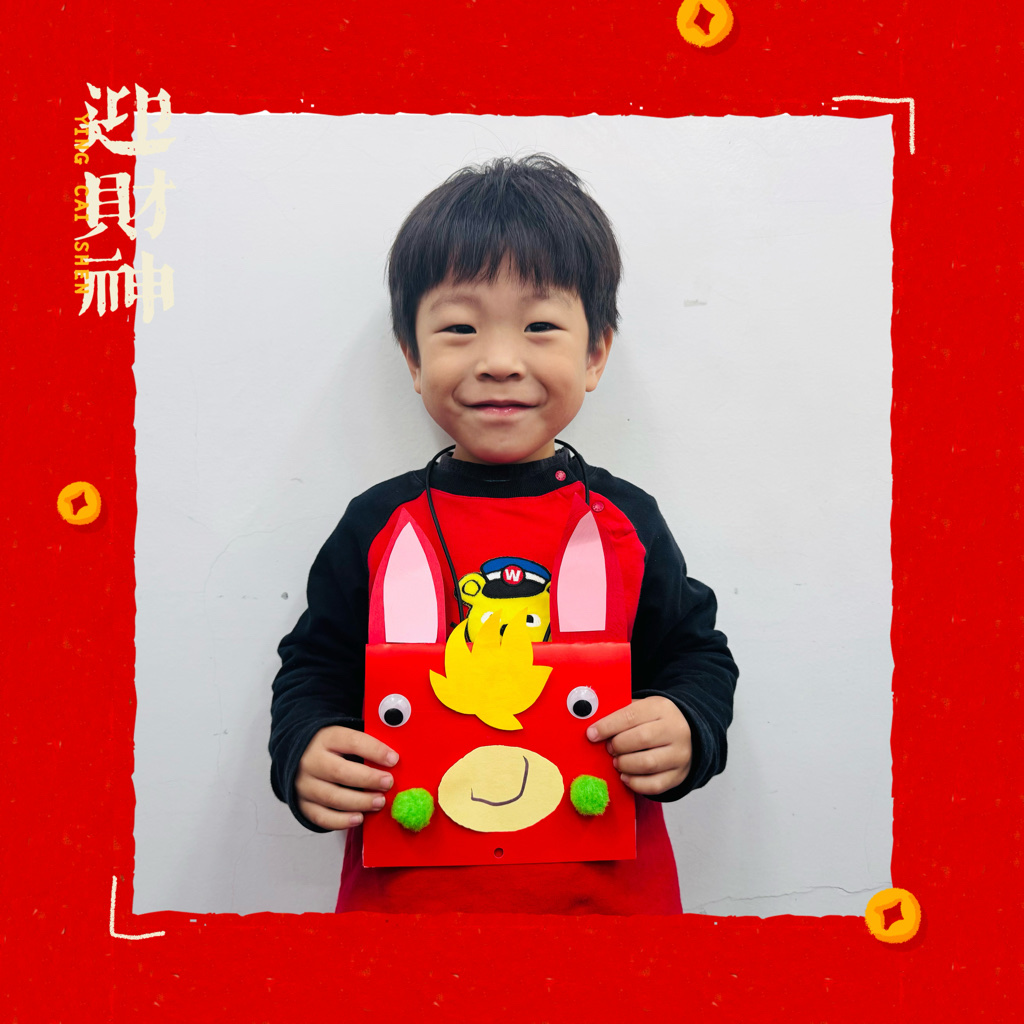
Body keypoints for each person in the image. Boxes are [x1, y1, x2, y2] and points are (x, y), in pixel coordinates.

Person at [269, 154, 737, 914]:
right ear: (412, 358)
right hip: (404, 920)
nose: (498, 361)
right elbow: (316, 667)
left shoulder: (622, 522)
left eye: (540, 325)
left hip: (611, 917)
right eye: (459, 328)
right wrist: (307, 747)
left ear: (595, 354)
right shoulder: (379, 525)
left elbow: (694, 655)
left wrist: (688, 725)